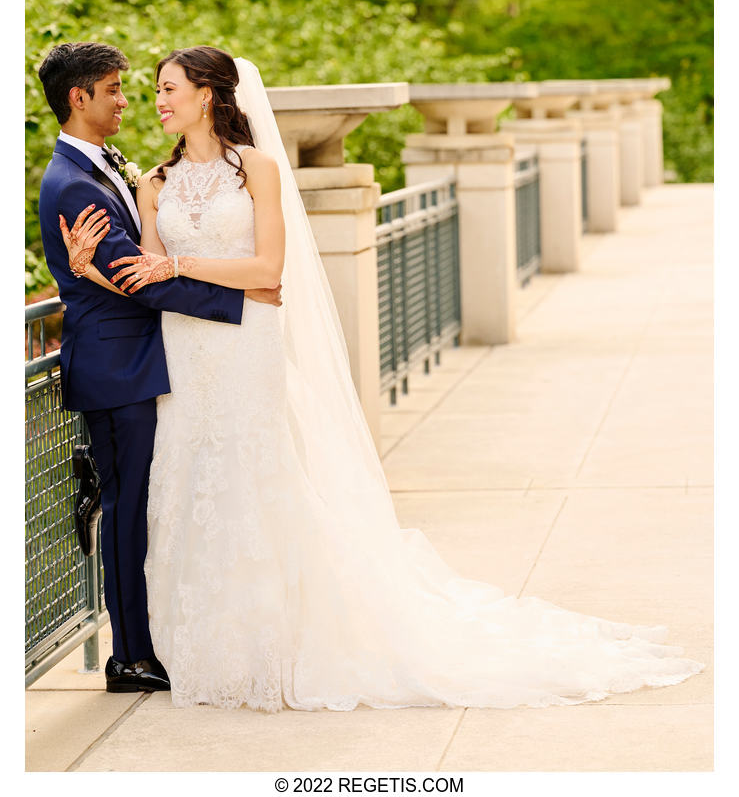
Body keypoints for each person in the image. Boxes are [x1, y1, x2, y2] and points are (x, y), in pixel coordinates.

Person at [63, 45, 705, 711]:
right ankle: (201, 647)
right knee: (190, 484)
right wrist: (92, 272)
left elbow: (267, 272)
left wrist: (180, 266)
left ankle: (277, 643)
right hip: (187, 353)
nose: (156, 101)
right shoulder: (155, 185)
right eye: (156, 91)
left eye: (169, 89)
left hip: (247, 349)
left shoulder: (256, 168)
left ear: (209, 94)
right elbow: (149, 279)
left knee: (253, 479)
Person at [36, 42, 282, 694]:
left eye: (136, 88)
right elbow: (136, 278)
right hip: (118, 365)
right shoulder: (68, 183)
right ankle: (130, 656)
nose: (129, 100)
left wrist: (101, 271)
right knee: (127, 507)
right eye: (115, 90)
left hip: (163, 357)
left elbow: (143, 260)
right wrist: (239, 296)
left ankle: (168, 638)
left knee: (162, 500)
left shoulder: (112, 167)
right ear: (77, 99)